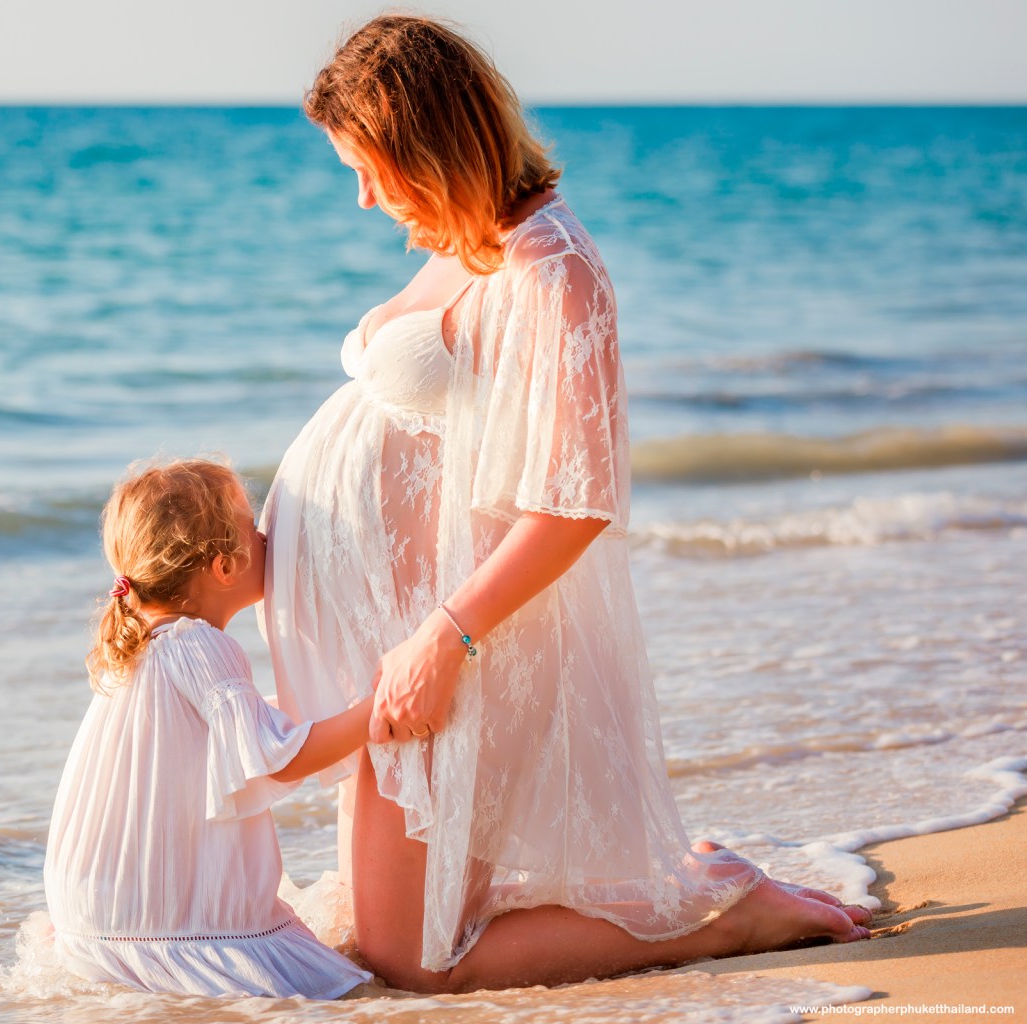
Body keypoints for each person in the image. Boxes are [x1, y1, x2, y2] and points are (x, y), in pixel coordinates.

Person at [258, 15, 873, 993]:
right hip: (406, 631)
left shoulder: (557, 269)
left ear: (435, 143)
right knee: (388, 927)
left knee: (418, 961)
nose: (366, 195)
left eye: (373, 167)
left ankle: (724, 921)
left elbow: (577, 504)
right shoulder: (469, 243)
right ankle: (691, 886)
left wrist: (440, 640)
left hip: (469, 645)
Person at [42, 458, 374, 999]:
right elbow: (277, 756)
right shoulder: (202, 643)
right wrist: (376, 712)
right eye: (254, 526)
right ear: (224, 567)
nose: (269, 535)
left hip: (97, 914)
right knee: (352, 993)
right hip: (169, 928)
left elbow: (221, 740)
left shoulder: (146, 643)